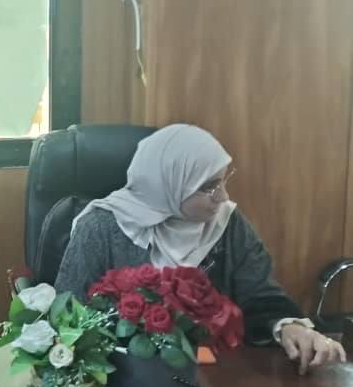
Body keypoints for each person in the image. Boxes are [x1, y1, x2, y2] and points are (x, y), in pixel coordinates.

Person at [55, 124, 345, 374]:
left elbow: (261, 295)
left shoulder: (228, 223)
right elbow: (67, 316)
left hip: (217, 378)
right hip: (122, 379)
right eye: (209, 187)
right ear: (170, 185)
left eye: (223, 181)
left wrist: (290, 327)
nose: (223, 197)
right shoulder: (101, 228)